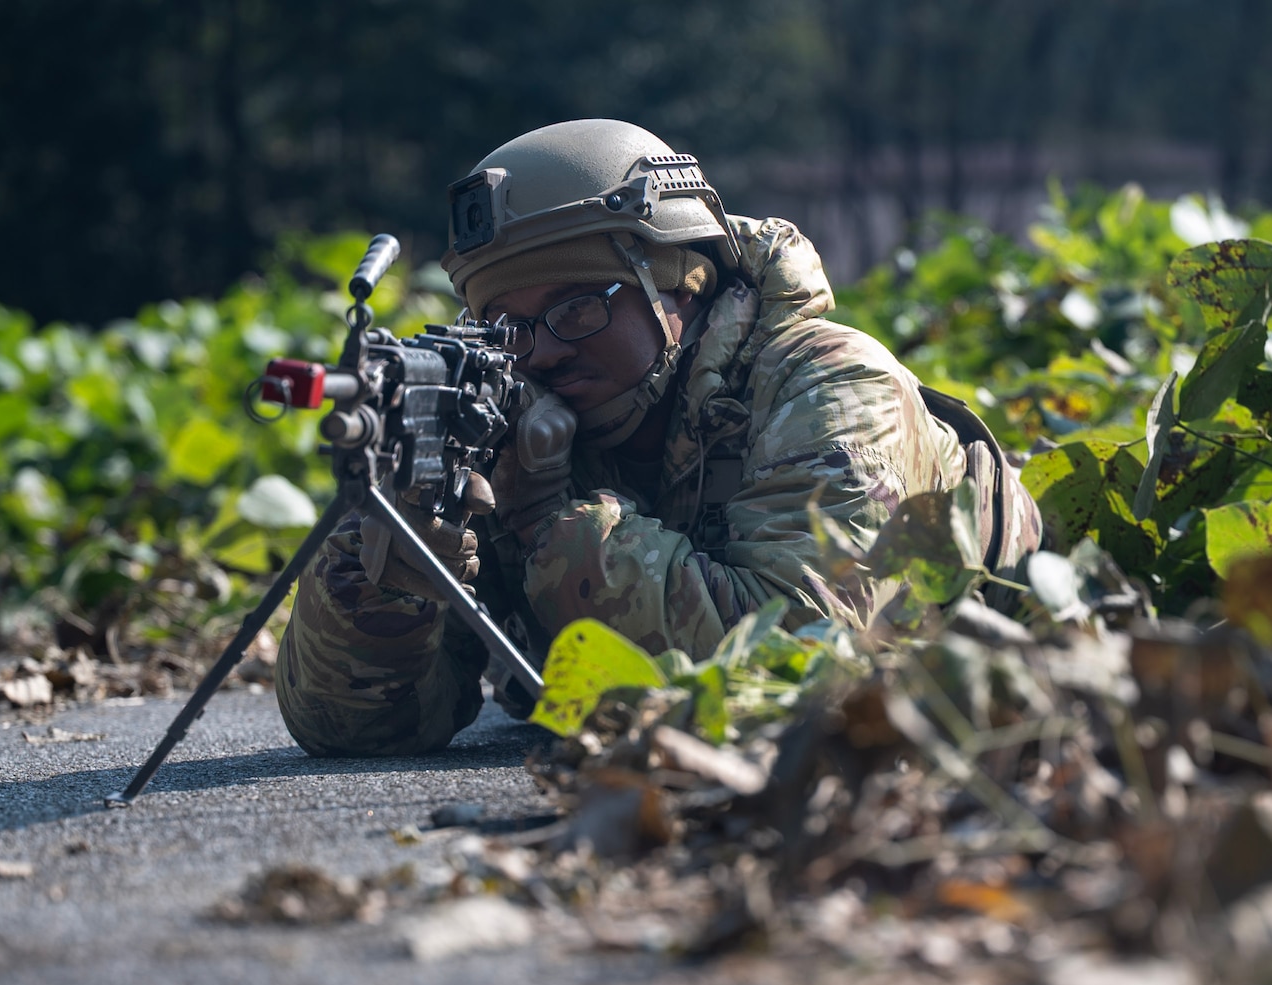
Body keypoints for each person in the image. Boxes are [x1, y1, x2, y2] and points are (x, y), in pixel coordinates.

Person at [275, 119, 1040, 757]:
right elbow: (360, 730)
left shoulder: (829, 384)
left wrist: (546, 523)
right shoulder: (515, 416)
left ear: (682, 284)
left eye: (578, 309)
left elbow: (801, 667)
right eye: (505, 328)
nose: (540, 351)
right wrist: (391, 563)